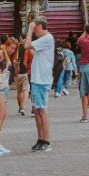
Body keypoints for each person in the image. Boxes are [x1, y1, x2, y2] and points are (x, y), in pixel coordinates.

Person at [24, 18, 54, 151]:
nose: (34, 32)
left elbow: (27, 46)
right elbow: (33, 52)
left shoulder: (47, 38)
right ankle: (40, 138)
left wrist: (29, 31)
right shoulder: (44, 41)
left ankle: (46, 140)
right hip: (37, 78)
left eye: (35, 28)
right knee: (36, 109)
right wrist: (28, 42)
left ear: (40, 26)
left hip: (42, 79)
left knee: (42, 109)